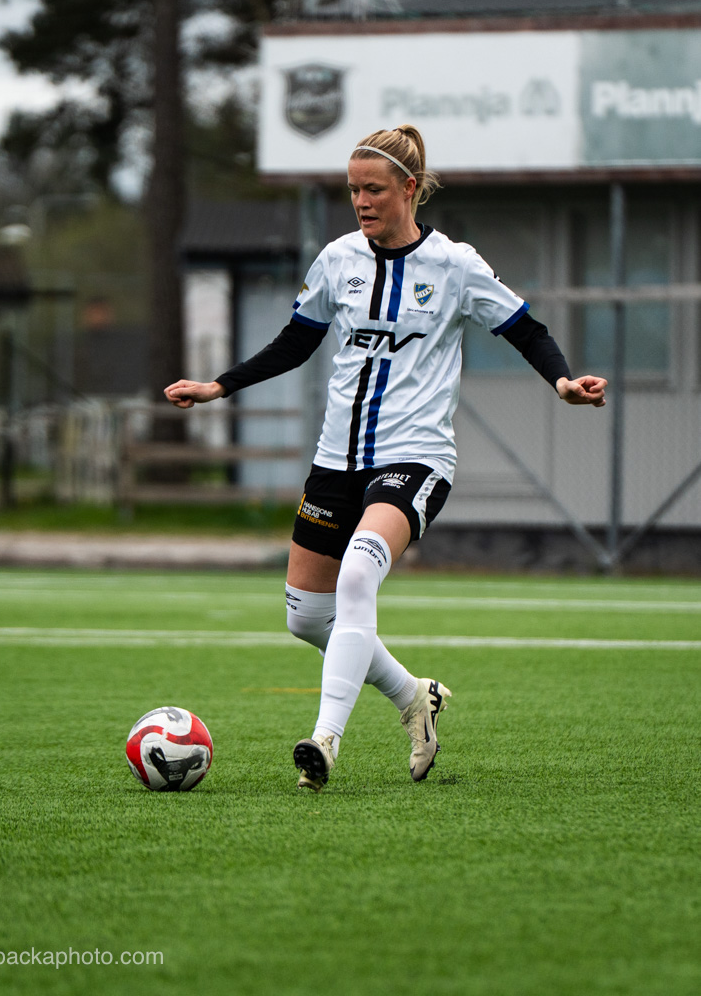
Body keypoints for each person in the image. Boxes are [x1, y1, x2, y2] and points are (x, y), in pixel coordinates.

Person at [165, 124, 607, 792]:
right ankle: (411, 697)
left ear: (409, 188)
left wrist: (563, 381)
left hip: (415, 459)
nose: (361, 201)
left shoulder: (455, 265)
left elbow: (526, 328)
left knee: (356, 579)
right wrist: (218, 386)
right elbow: (296, 342)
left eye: (373, 189)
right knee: (306, 616)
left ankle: (325, 740)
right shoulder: (337, 259)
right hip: (336, 461)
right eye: (352, 190)